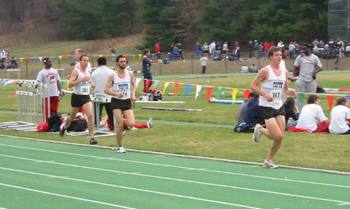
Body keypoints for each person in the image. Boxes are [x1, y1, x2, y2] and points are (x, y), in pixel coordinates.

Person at [250, 46, 296, 169]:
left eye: (280, 55)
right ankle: (260, 129)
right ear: (270, 57)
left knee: (280, 136)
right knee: (277, 136)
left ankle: (268, 160)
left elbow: (284, 90)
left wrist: (290, 92)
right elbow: (253, 86)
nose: (279, 57)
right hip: (266, 106)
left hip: (278, 105)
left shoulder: (284, 72)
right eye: (276, 55)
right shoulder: (265, 71)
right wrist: (265, 94)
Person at [60, 55, 97, 145]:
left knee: (90, 115)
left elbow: (88, 80)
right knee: (72, 117)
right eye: (84, 60)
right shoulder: (76, 71)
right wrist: (81, 79)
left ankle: (92, 138)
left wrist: (92, 84)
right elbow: (70, 84)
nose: (86, 62)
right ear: (80, 61)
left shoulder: (88, 71)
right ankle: (64, 127)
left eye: (87, 60)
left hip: (85, 96)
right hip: (76, 96)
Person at [105, 55, 137, 153]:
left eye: (124, 61)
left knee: (131, 123)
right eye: (121, 61)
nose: (123, 63)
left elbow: (133, 84)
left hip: (126, 101)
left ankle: (119, 121)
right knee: (119, 124)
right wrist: (116, 94)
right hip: (116, 101)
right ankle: (120, 146)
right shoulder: (112, 75)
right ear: (117, 63)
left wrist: (133, 94)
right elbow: (106, 90)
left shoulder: (130, 74)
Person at [91, 56, 115, 128]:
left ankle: (96, 124)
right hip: (109, 96)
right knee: (111, 115)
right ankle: (113, 125)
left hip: (98, 95)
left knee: (97, 115)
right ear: (106, 63)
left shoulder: (94, 72)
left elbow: (93, 85)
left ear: (98, 63)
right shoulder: (112, 72)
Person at [36, 57, 62, 122]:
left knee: (55, 110)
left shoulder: (55, 71)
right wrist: (36, 87)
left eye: (51, 61)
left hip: (55, 94)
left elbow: (58, 81)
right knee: (47, 110)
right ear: (45, 63)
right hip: (46, 95)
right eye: (49, 62)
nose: (51, 63)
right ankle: (47, 123)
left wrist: (60, 91)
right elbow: (38, 82)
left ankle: (54, 123)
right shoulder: (41, 72)